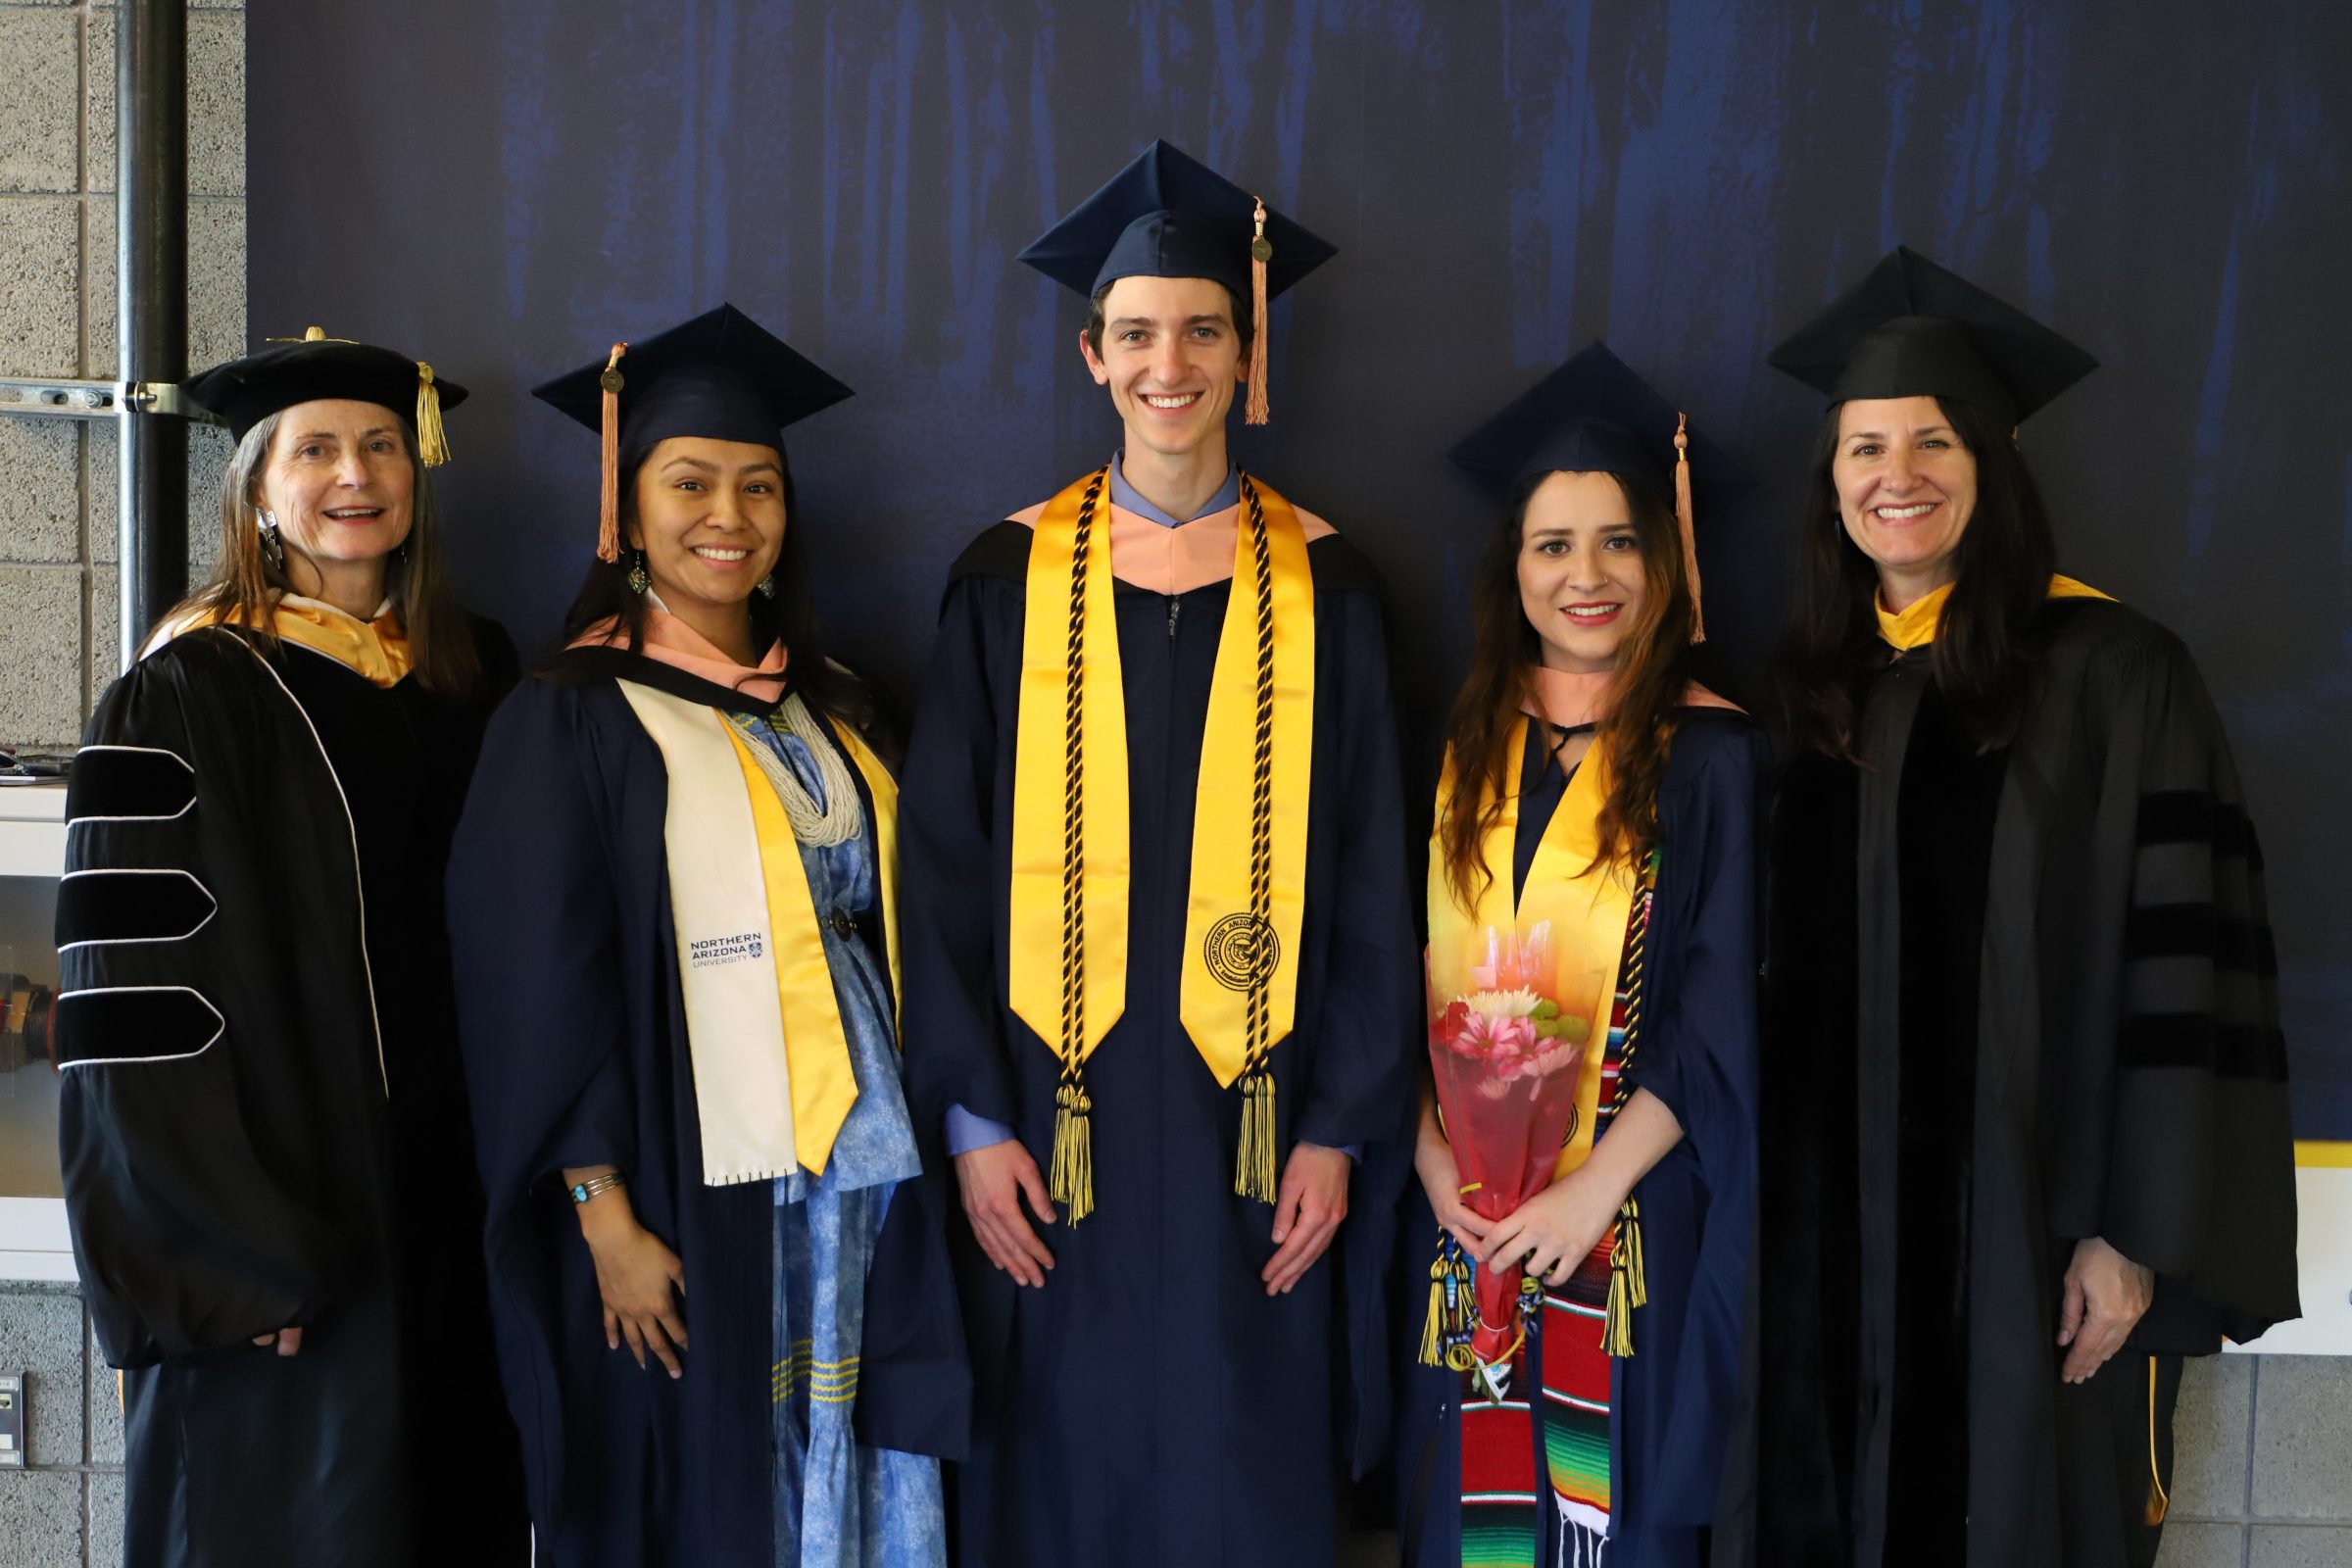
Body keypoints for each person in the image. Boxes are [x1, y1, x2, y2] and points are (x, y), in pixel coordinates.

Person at [893, 140, 1419, 1567]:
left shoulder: (1335, 589)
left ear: (1248, 354)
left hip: (1264, 1110)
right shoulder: (1002, 584)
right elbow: (937, 865)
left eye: (1201, 330)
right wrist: (973, 1122)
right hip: (1053, 1122)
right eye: (1136, 334)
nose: (1167, 363)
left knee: (1243, 1456)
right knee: (1062, 1460)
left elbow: (1377, 875)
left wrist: (1340, 1122)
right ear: (1091, 354)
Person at [1733, 247, 2301, 1568]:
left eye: (1932, 440)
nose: (1896, 474)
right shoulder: (1808, 695)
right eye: (1865, 446)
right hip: (1818, 1259)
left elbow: (2186, 975)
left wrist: (2131, 1233)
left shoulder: (2115, 673)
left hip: (2034, 1247)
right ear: (1831, 482)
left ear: (1991, 464)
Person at [446, 304, 964, 1568]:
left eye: (758, 485)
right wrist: (600, 1209)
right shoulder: (568, 714)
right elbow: (535, 986)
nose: (726, 514)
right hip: (693, 1169)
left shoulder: (834, 705)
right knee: (719, 1462)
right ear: (626, 510)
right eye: (688, 482)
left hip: (863, 1156)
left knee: (844, 1425)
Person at [52, 328, 527, 1567]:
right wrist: (226, 1254)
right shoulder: (188, 686)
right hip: (292, 1240)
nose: (355, 474)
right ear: (257, 489)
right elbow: (135, 1002)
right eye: (314, 450)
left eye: (380, 444)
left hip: (454, 1213)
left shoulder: (474, 672)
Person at [1396, 343, 1760, 1568]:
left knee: (1615, 1518)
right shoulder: (1458, 752)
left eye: (1619, 541)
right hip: (1466, 1229)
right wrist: (1433, 1162)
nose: (1586, 575)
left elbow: (1719, 1012)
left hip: (1633, 1227)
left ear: (1666, 560)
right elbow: (1383, 981)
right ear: (1514, 566)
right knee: (1473, 1528)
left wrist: (1591, 1190)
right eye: (1554, 544)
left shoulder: (1712, 759)